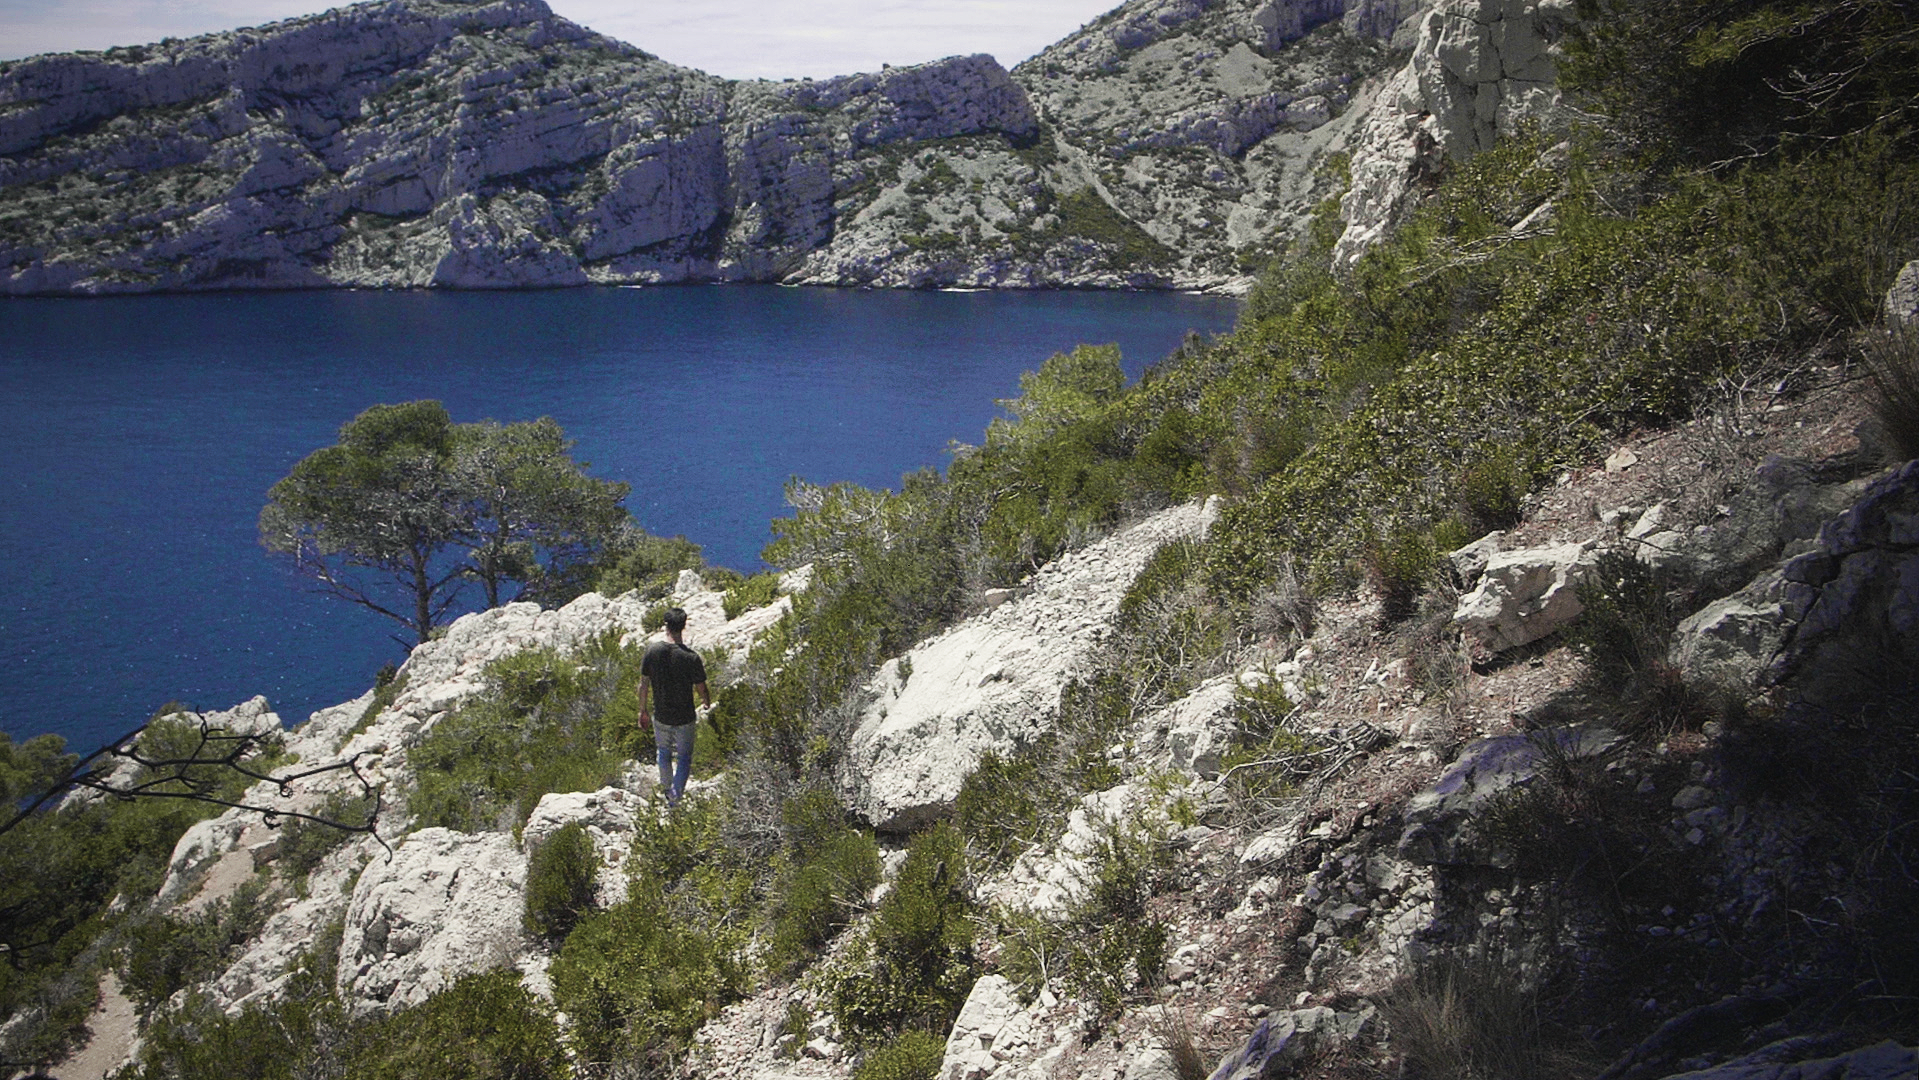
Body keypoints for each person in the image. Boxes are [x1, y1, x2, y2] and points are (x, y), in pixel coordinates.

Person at [639, 607, 710, 807]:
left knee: (663, 752)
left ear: (666, 626)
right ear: (683, 626)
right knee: (685, 757)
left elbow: (643, 684)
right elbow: (701, 687)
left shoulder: (652, 651)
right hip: (685, 716)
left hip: (661, 714)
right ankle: (675, 798)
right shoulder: (691, 657)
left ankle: (666, 789)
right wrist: (706, 701)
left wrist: (642, 710)